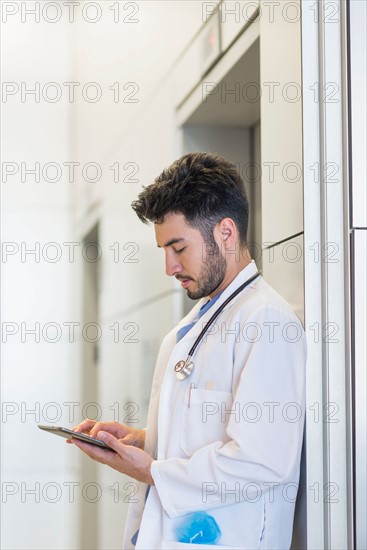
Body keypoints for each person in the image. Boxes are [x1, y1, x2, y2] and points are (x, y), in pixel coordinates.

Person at [71, 152, 306, 550]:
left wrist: (152, 471)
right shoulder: (204, 319)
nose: (169, 266)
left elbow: (262, 461)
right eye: (164, 249)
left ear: (226, 233)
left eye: (178, 247)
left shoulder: (266, 321)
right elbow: (203, 434)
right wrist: (143, 440)